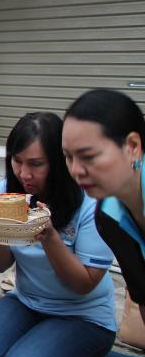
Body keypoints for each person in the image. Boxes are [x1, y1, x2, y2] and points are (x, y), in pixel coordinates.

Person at [0, 112, 116, 357]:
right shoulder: (9, 191)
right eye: (17, 161)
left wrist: (50, 237)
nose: (24, 174)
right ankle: (44, 347)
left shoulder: (93, 201)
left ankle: (76, 355)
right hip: (28, 301)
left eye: (36, 164)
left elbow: (84, 283)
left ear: (60, 162)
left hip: (83, 315)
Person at [63, 89, 145, 324]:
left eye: (88, 156)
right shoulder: (107, 217)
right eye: (68, 157)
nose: (76, 170)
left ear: (132, 146)